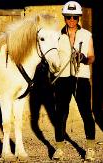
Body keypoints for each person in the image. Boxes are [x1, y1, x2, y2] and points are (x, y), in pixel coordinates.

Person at [52, 1, 96, 161]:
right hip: (62, 79)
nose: (72, 20)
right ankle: (59, 149)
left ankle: (90, 149)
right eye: (69, 17)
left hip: (81, 78)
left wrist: (84, 58)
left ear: (79, 18)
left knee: (86, 113)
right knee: (60, 114)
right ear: (64, 17)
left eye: (75, 17)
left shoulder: (87, 34)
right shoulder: (57, 35)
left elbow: (92, 57)